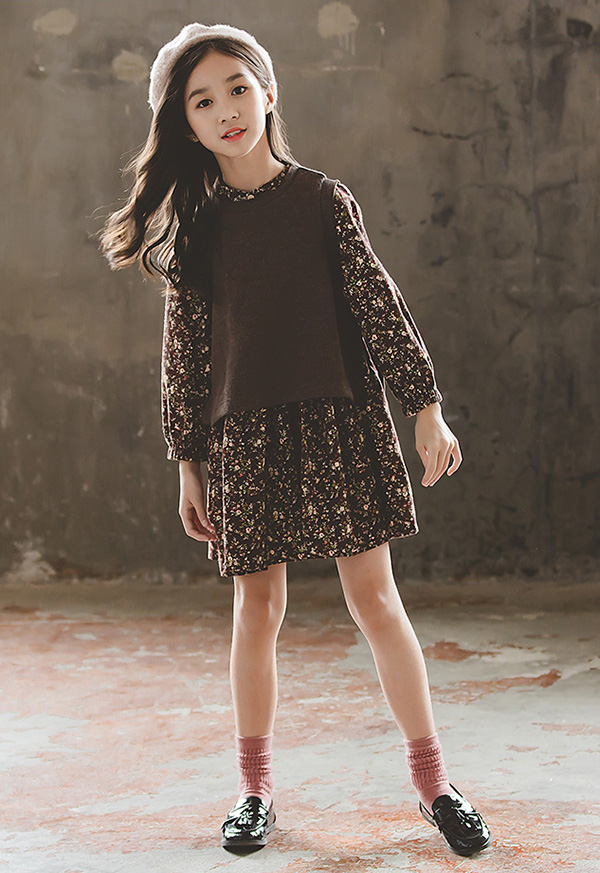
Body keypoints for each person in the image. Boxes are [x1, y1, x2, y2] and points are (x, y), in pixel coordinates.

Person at [98, 21, 492, 858]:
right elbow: (185, 356)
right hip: (244, 439)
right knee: (257, 609)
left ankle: (435, 784)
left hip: (340, 421)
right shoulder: (198, 231)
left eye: (238, 88)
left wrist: (425, 404)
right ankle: (254, 791)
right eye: (203, 101)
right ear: (186, 126)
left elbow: (379, 303)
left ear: (268, 92)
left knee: (376, 601)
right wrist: (188, 464)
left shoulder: (322, 200)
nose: (227, 110)